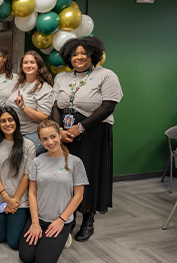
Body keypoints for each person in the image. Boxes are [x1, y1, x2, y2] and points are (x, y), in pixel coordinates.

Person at [52, 36, 123, 242]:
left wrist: (80, 128)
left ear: (93, 54)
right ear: (68, 57)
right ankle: (70, 216)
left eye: (84, 53)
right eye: (74, 54)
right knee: (67, 176)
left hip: (94, 133)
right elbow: (56, 105)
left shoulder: (106, 75)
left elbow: (108, 106)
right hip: (66, 135)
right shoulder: (61, 78)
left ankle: (88, 219)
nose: (79, 57)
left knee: (88, 175)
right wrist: (59, 131)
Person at [18, 120, 88, 263]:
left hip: (60, 220)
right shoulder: (37, 162)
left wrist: (61, 221)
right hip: (39, 218)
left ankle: (65, 234)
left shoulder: (75, 162)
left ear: (60, 135)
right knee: (25, 257)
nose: (50, 142)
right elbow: (32, 193)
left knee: (43, 260)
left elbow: (79, 196)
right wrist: (35, 222)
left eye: (53, 136)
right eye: (44, 139)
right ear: (40, 140)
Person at [0, 107, 36, 250]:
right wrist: (7, 199)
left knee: (14, 243)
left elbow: (27, 175)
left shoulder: (28, 145)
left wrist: (14, 202)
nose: (7, 124)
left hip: (19, 200)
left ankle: (32, 222)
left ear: (16, 121)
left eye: (10, 120)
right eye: (3, 121)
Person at [6, 51, 53, 156]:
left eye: (32, 62)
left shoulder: (44, 87)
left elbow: (44, 116)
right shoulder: (20, 84)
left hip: (31, 136)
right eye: (25, 62)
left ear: (38, 66)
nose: (28, 65)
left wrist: (23, 107)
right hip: (15, 134)